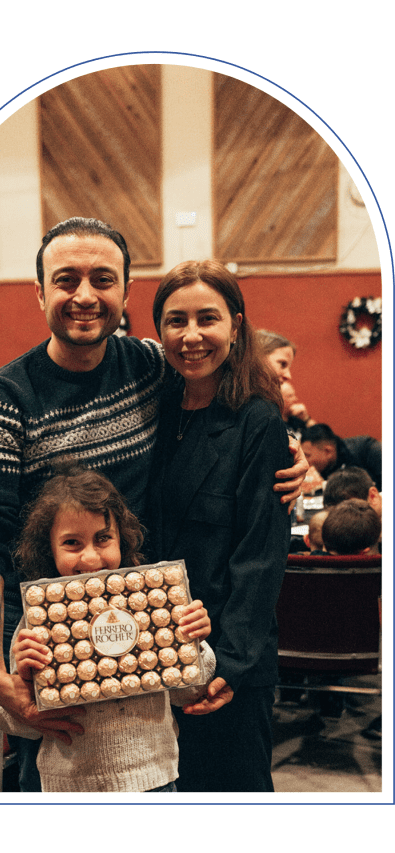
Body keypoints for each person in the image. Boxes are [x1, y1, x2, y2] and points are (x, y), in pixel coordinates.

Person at [0, 217, 307, 787]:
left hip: (156, 645)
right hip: (55, 658)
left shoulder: (151, 366)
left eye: (102, 279)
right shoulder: (1, 400)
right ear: (40, 292)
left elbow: (226, 398)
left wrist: (287, 449)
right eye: (66, 280)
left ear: (126, 293)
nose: (85, 296)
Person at [147, 260, 294, 793]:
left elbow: (260, 558)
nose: (191, 336)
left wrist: (227, 664)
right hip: (153, 654)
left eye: (206, 318)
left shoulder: (258, 420)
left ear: (235, 325)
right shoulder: (155, 409)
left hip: (226, 660)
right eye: (176, 321)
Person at [0, 464, 215, 793]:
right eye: (72, 542)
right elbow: (10, 722)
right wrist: (26, 682)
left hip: (152, 778)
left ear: (121, 539)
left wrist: (194, 642)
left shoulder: (152, 604)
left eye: (103, 538)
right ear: (49, 549)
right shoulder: (40, 621)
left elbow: (190, 693)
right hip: (70, 787)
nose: (90, 557)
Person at [301, 423, 382, 491]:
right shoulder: (325, 466)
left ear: (328, 451)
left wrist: (323, 484)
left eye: (307, 455)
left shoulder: (369, 449)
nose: (305, 461)